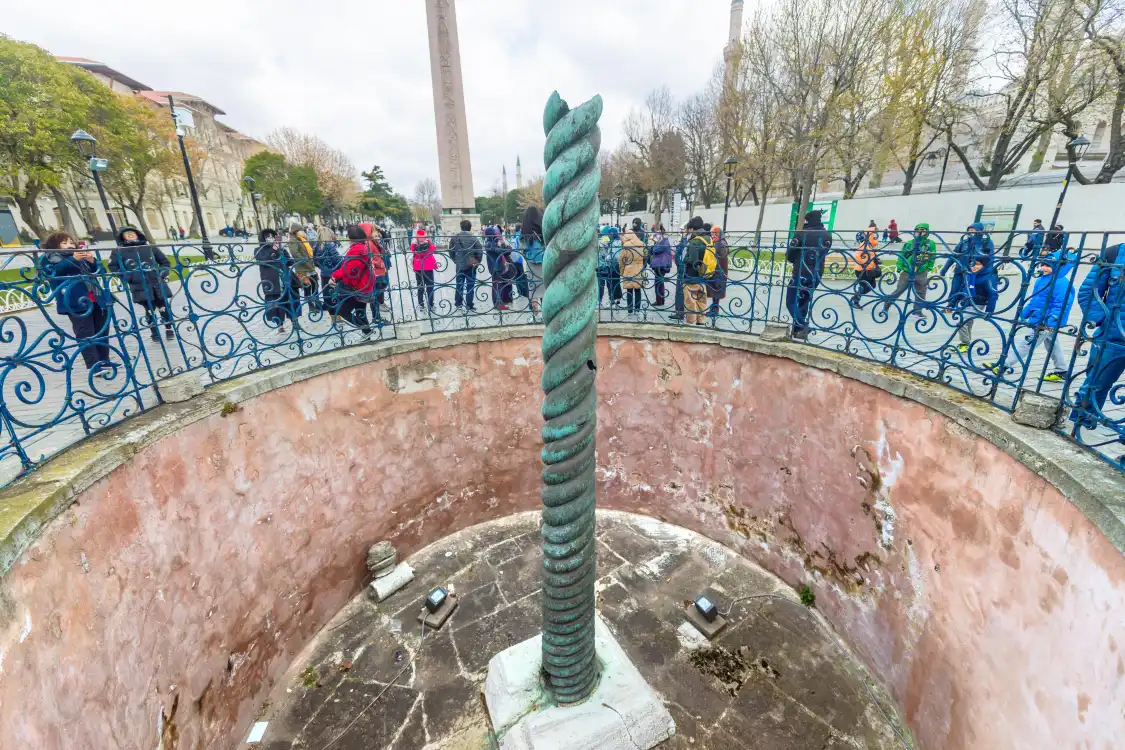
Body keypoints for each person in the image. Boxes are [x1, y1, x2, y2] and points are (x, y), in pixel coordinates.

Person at [988, 251, 1075, 381]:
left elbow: (1062, 303)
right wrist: (1025, 313)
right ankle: (1062, 370)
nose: (1043, 268)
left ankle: (1003, 365)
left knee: (1027, 343)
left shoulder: (1061, 282)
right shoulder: (1042, 279)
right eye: (1042, 265)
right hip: (1040, 318)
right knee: (1052, 344)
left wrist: (1053, 320)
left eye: (1047, 266)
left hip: (1046, 321)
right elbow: (1036, 300)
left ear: (1058, 266)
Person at [38, 232, 114, 378]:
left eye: (71, 242)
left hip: (95, 298)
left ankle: (104, 360)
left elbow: (100, 272)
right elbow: (52, 273)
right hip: (75, 300)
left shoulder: (80, 254)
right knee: (86, 333)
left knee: (102, 331)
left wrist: (92, 261)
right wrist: (72, 259)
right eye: (65, 243)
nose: (70, 245)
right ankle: (93, 366)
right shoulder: (50, 258)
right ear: (55, 246)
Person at [1072, 243, 1125, 430]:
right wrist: (1103, 320)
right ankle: (1080, 426)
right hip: (1114, 336)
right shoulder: (1115, 253)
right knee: (1095, 385)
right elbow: (1089, 292)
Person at [108, 226, 175, 341]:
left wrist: (162, 273)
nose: (130, 234)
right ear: (122, 237)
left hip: (156, 281)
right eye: (127, 233)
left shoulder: (148, 247)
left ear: (137, 234)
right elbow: (113, 267)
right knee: (149, 309)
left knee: (163, 306)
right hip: (139, 284)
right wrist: (129, 277)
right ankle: (154, 332)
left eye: (132, 232)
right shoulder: (118, 251)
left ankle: (169, 328)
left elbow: (164, 262)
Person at [786, 210, 832, 339]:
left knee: (791, 301)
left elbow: (790, 255)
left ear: (808, 220)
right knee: (804, 301)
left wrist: (794, 259)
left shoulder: (801, 234)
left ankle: (802, 325)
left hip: (800, 273)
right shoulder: (827, 235)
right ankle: (798, 332)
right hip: (816, 274)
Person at [882, 223, 937, 318]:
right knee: (899, 290)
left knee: (921, 291)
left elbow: (932, 256)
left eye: (923, 230)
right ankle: (886, 306)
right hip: (908, 270)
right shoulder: (909, 243)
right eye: (917, 230)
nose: (920, 232)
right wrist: (900, 267)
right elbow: (902, 256)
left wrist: (929, 268)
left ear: (927, 232)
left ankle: (917, 311)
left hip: (921, 271)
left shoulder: (930, 243)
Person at [330, 225, 376, 334]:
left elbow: (349, 267)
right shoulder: (363, 246)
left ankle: (367, 330)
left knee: (343, 311)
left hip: (358, 286)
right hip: (363, 284)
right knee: (360, 311)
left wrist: (334, 276)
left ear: (351, 237)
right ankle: (367, 335)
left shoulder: (357, 249)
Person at [254, 228, 299, 333]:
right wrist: (273, 250)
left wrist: (282, 252)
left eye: (272, 236)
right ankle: (280, 325)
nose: (270, 239)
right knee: (276, 304)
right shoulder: (258, 250)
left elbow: (289, 262)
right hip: (272, 282)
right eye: (267, 237)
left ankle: (294, 321)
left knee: (291, 300)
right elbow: (263, 260)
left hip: (285, 279)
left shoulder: (280, 248)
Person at [681, 217, 713, 326]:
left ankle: (691, 322)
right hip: (704, 273)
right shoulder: (708, 239)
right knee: (701, 299)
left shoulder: (694, 241)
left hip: (691, 275)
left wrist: (684, 259)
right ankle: (700, 320)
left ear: (692, 229)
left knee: (690, 300)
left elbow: (693, 260)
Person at [449, 219, 483, 310]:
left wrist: (455, 260)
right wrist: (477, 262)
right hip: (471, 265)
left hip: (460, 264)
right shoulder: (473, 238)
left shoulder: (454, 237)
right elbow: (479, 251)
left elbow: (451, 251)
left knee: (459, 284)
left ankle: (458, 303)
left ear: (461, 227)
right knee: (470, 285)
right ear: (470, 228)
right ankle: (469, 304)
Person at [359, 222, 389, 325]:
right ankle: (376, 317)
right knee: (375, 296)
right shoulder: (369, 244)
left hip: (379, 272)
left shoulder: (374, 242)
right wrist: (379, 263)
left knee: (378, 293)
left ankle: (377, 316)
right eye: (374, 234)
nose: (377, 237)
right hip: (376, 273)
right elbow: (369, 258)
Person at [287, 221, 318, 313]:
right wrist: (304, 260)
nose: (304, 232)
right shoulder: (293, 240)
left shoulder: (302, 239)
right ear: (296, 231)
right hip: (303, 268)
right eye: (302, 230)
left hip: (310, 266)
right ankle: (311, 306)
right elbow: (295, 253)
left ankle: (317, 302)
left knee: (315, 284)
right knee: (307, 286)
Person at [522, 206, 546, 316]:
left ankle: (535, 314)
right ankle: (547, 313)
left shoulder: (525, 232)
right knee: (545, 288)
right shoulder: (542, 230)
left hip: (530, 263)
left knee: (533, 290)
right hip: (543, 262)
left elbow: (521, 248)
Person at [850, 225, 881, 308]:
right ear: (870, 236)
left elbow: (871, 256)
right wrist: (865, 263)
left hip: (869, 270)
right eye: (874, 236)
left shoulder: (869, 245)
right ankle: (855, 301)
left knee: (872, 286)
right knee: (865, 286)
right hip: (862, 270)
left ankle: (855, 298)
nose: (876, 237)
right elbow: (858, 256)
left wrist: (876, 260)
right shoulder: (864, 245)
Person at [619, 226, 648, 315]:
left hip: (628, 269)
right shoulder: (642, 244)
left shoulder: (626, 246)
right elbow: (646, 257)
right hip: (639, 269)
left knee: (629, 290)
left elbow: (622, 260)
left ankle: (630, 309)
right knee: (638, 290)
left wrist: (622, 271)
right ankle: (637, 309)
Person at [706, 226, 731, 319]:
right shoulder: (723, 241)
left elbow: (715, 254)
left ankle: (714, 310)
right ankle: (714, 309)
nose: (712, 235)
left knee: (716, 291)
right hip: (721, 270)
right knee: (716, 291)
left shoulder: (719, 243)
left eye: (714, 233)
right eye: (711, 233)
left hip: (718, 270)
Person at [411, 229, 438, 312]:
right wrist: (428, 243)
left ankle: (423, 304)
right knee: (427, 286)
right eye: (421, 237)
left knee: (422, 286)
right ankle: (428, 304)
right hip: (426, 266)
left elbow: (413, 251)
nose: (422, 239)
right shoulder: (425, 242)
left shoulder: (414, 243)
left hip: (420, 266)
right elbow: (433, 249)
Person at [597, 226, 623, 307]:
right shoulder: (618, 241)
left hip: (611, 265)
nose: (608, 236)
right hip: (615, 265)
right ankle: (615, 299)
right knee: (614, 282)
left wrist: (607, 257)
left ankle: (611, 299)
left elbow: (615, 256)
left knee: (610, 283)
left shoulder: (614, 243)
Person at [649, 225, 674, 307]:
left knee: (659, 282)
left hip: (662, 265)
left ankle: (660, 301)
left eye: (656, 234)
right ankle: (660, 300)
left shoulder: (664, 241)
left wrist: (654, 244)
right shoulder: (659, 241)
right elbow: (651, 251)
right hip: (658, 264)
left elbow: (656, 250)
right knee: (658, 282)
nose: (655, 236)